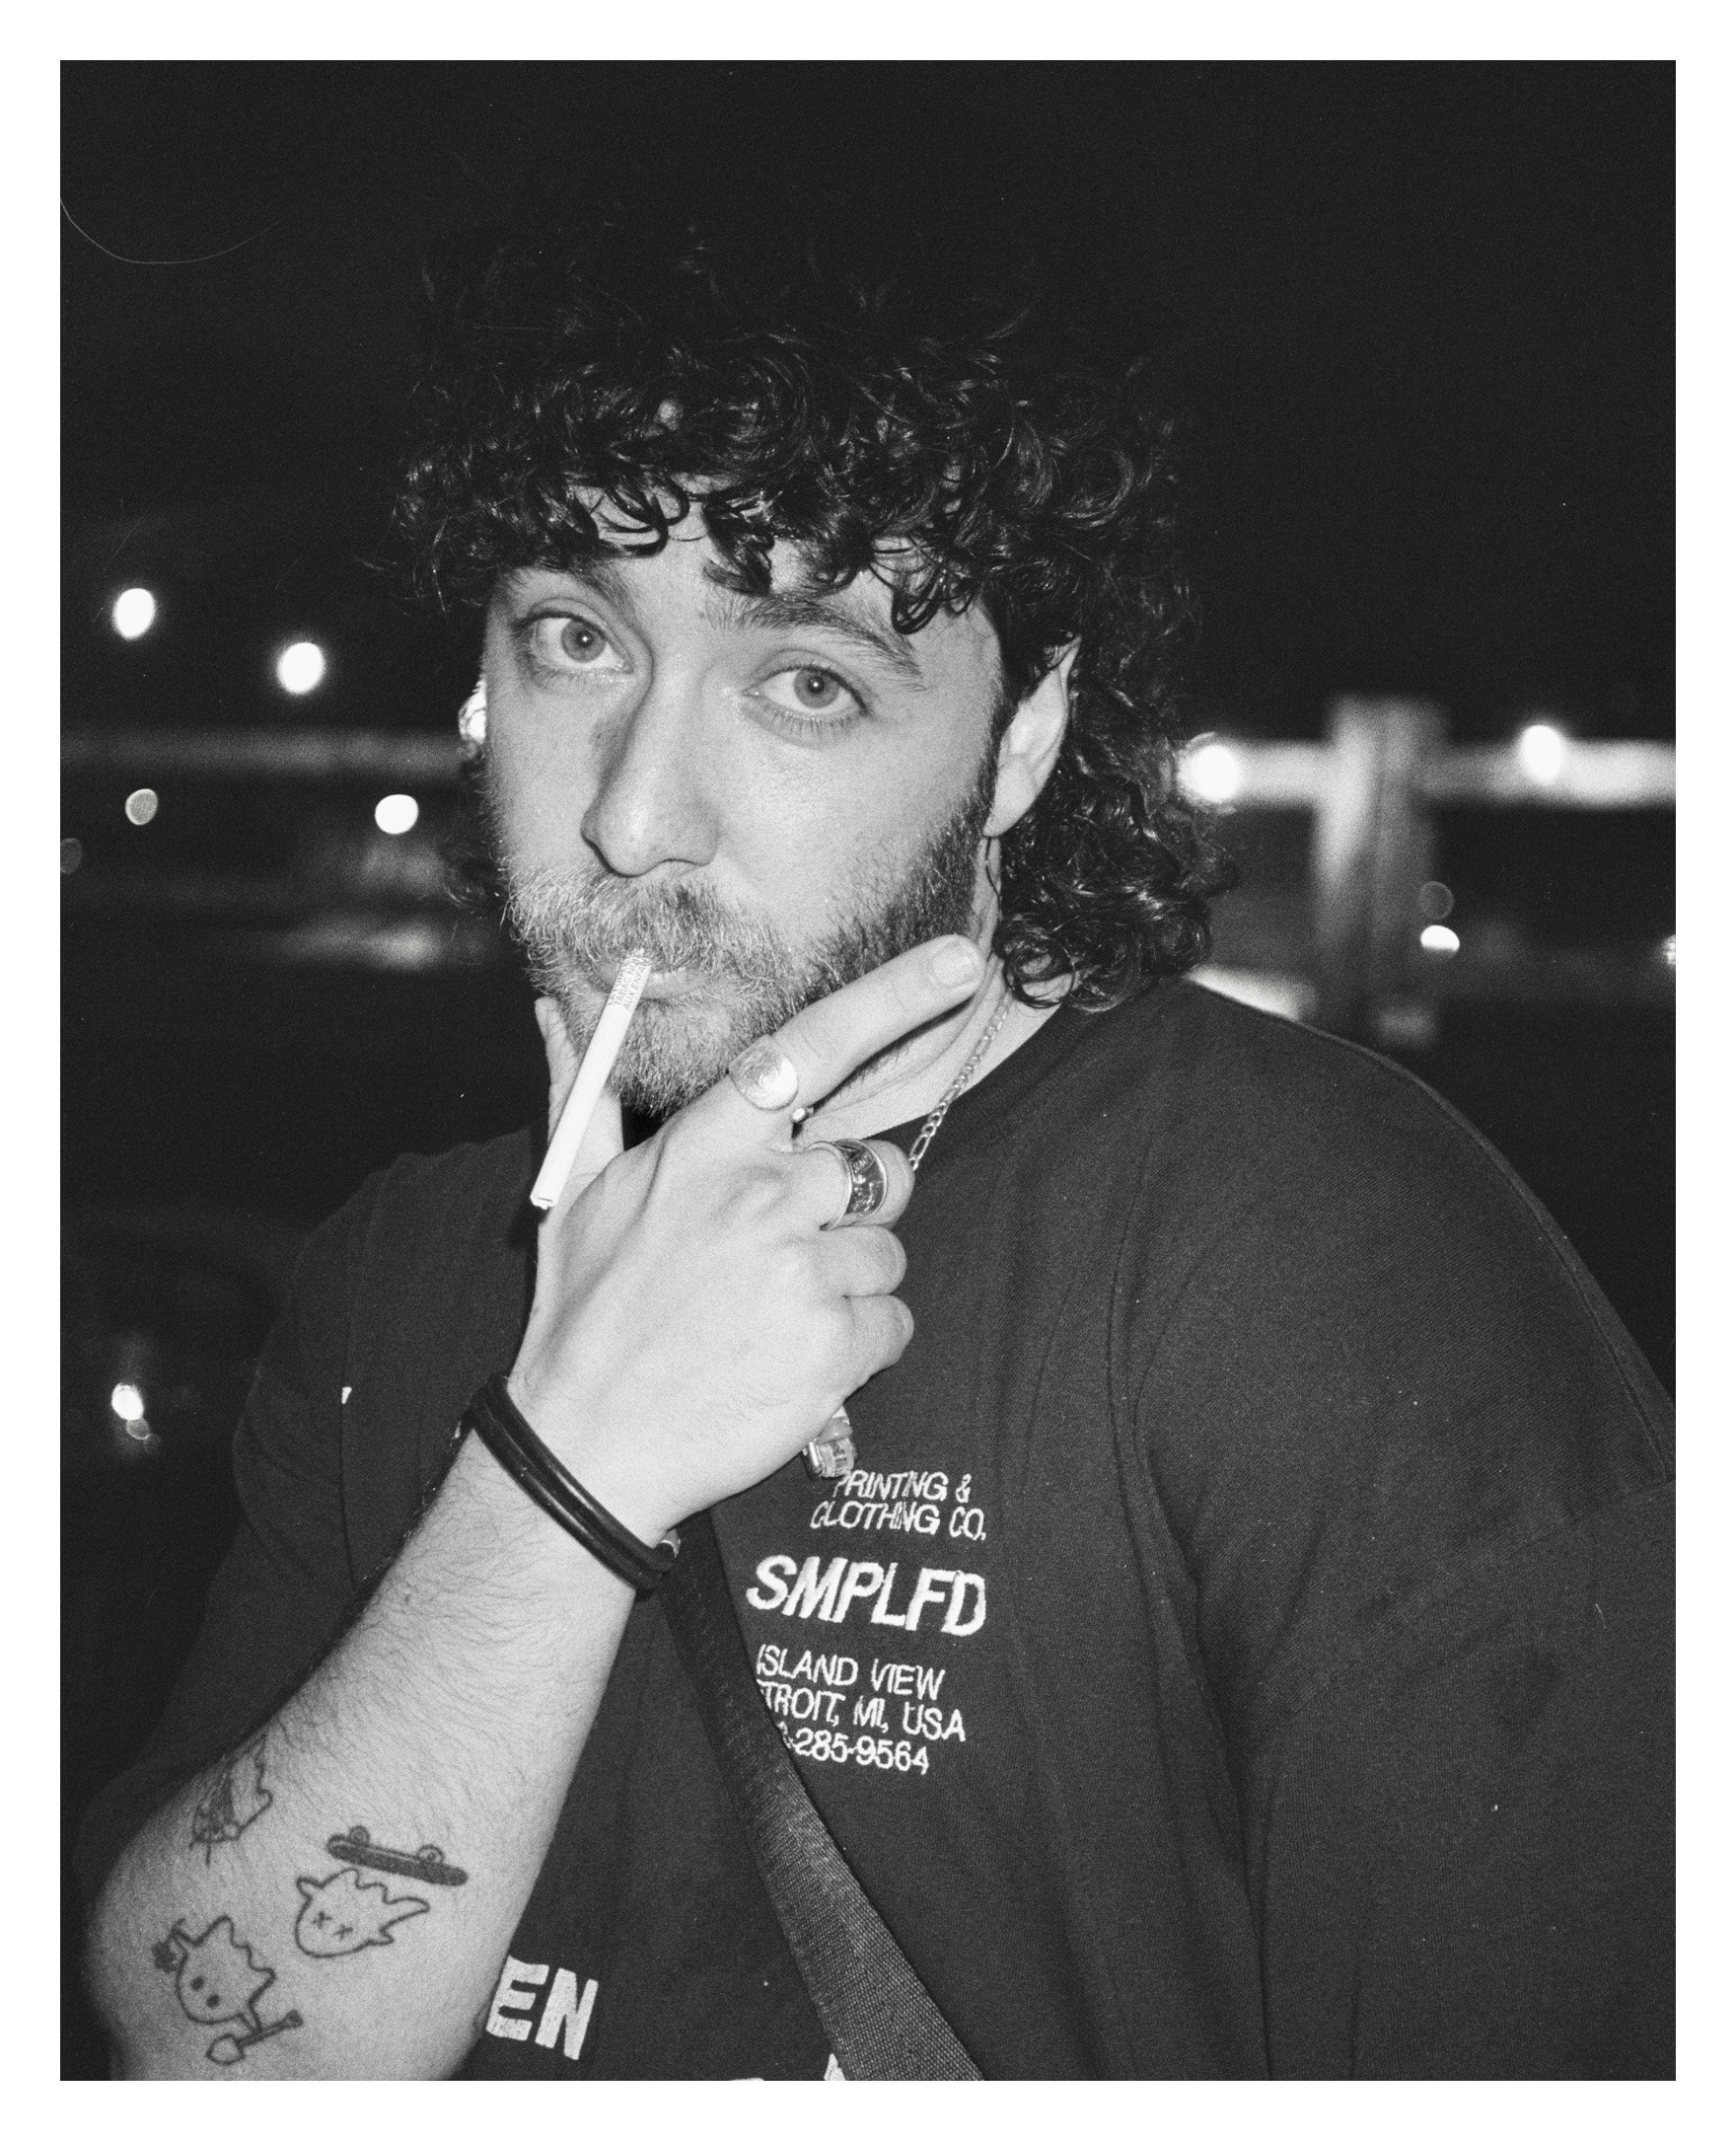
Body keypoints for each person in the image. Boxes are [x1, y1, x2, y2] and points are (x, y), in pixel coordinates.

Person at [78, 213, 1674, 2080]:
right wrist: (562, 1469)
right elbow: (198, 2051)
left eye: (806, 682)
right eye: (577, 639)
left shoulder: (1324, 1268)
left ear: (1024, 736)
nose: (631, 818)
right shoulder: (404, 1266)